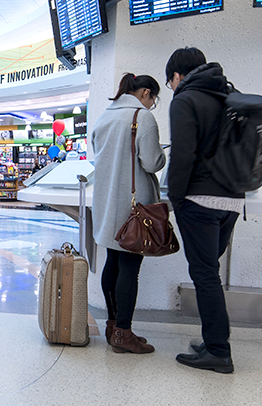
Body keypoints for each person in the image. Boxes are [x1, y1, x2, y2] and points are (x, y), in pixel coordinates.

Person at [166, 47, 244, 374]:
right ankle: (212, 339)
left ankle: (218, 351)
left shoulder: (184, 100)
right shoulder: (230, 95)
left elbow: (182, 155)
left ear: (179, 75)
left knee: (204, 275)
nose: (171, 87)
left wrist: (176, 198)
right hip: (233, 199)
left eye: (170, 81)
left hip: (199, 200)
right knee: (209, 270)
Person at [91, 73, 166, 354]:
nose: (153, 104)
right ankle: (124, 332)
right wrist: (163, 154)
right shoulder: (141, 117)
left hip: (107, 203)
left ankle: (113, 326)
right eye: (153, 99)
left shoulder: (104, 116)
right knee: (130, 268)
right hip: (133, 208)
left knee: (112, 261)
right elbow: (151, 161)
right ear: (145, 92)